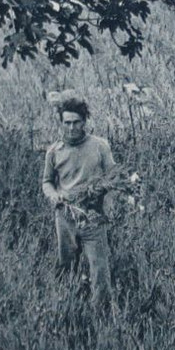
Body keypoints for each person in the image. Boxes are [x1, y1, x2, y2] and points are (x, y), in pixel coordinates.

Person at [41, 96, 117, 305]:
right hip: (65, 217)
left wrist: (106, 205)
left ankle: (100, 315)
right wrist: (54, 196)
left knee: (99, 269)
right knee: (66, 265)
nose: (72, 127)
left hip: (93, 216)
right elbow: (47, 182)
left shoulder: (100, 146)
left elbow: (113, 177)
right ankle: (69, 307)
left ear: (84, 122)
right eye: (67, 123)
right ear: (61, 123)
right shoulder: (54, 151)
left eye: (76, 122)